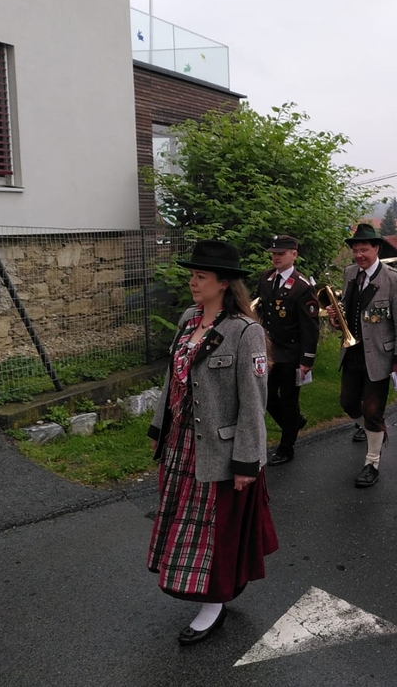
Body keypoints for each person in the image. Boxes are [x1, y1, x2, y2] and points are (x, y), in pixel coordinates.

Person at [147, 240, 277, 645]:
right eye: (192, 275)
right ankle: (201, 590)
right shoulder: (188, 319)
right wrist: (159, 430)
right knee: (182, 522)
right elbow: (172, 381)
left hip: (221, 449)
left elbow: (254, 403)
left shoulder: (245, 332)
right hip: (182, 443)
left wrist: (247, 462)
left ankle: (213, 604)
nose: (192, 282)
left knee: (212, 530)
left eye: (200, 276)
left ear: (223, 283)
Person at [327, 223, 397, 488]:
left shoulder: (394, 279)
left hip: (380, 355)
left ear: (376, 249)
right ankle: (373, 431)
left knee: (373, 410)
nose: (358, 255)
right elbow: (348, 312)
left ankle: (372, 462)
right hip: (352, 352)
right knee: (347, 403)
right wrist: (335, 319)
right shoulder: (350, 273)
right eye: (355, 250)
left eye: (363, 250)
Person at [256, 235, 321, 466]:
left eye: (281, 254)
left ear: (294, 254)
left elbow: (310, 327)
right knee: (266, 395)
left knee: (289, 399)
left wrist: (307, 359)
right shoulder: (266, 278)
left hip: (292, 352)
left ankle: (286, 448)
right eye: (274, 254)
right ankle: (293, 423)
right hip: (270, 350)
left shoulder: (302, 286)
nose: (276, 257)